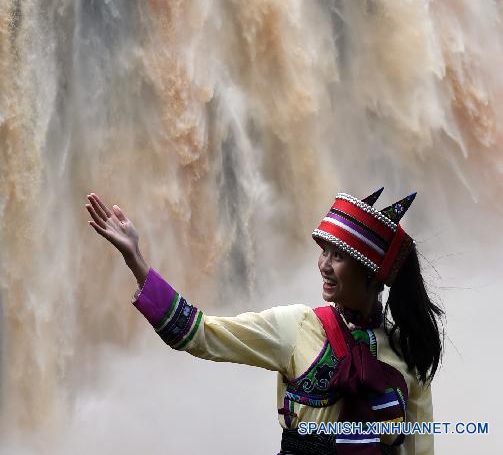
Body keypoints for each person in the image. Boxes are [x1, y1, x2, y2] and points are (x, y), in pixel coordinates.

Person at [85, 186, 443, 454]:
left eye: (338, 256)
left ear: (370, 274)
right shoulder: (296, 327)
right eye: (323, 252)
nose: (324, 265)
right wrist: (136, 261)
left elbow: (419, 449)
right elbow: (199, 334)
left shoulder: (407, 352)